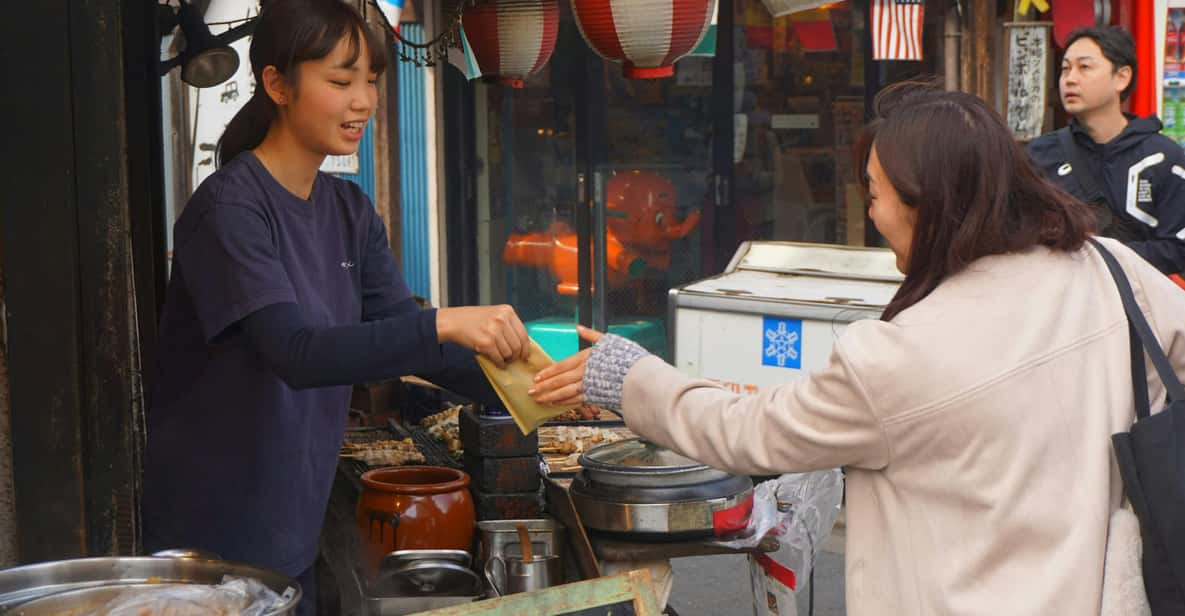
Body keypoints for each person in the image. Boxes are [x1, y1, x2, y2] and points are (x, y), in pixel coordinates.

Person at [531, 83, 1185, 614]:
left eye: (873, 194)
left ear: (929, 203)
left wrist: (631, 376)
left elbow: (751, 433)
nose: (870, 214)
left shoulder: (902, 357)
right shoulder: (1111, 269)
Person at [142, 2, 530, 614]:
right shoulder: (230, 211)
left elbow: (406, 339)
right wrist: (447, 320)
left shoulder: (349, 211)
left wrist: (548, 379)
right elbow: (295, 351)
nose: (364, 101)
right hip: (209, 549)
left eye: (371, 80)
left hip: (293, 529)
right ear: (277, 85)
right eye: (340, 80)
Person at [1028, 25, 1185, 275]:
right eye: (1065, 68)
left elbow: (1178, 250)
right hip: (1063, 306)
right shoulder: (1040, 155)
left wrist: (1097, 257)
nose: (1070, 79)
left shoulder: (1165, 158)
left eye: (1085, 67)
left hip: (1137, 307)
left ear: (1122, 77)